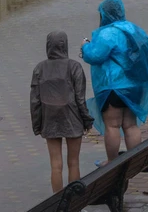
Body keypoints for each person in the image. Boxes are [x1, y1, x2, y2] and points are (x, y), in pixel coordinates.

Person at [81, 0, 148, 164]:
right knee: (130, 125)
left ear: (104, 14)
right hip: (134, 87)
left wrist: (85, 45)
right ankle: (135, 161)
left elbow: (95, 55)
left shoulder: (107, 33)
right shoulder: (134, 29)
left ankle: (112, 163)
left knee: (113, 125)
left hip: (113, 87)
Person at [30, 31, 93, 192]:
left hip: (49, 119)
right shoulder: (74, 67)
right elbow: (80, 98)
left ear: (48, 46)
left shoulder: (40, 68)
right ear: (65, 45)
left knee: (55, 165)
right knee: (74, 162)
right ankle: (73, 203)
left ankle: (58, 203)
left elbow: (35, 101)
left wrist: (37, 125)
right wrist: (87, 120)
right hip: (73, 118)